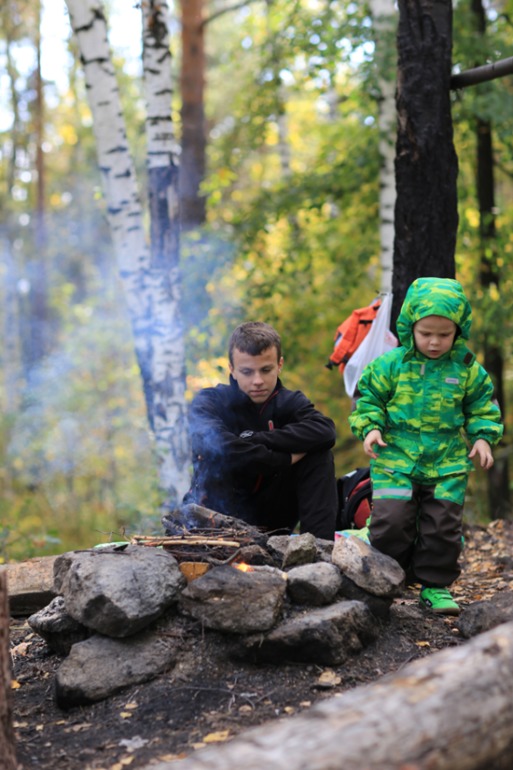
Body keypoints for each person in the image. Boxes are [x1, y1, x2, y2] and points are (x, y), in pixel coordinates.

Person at [348, 277, 503, 615]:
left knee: (443, 527)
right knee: (392, 521)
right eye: (426, 333)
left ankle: (435, 585)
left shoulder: (467, 370)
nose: (434, 342)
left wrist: (482, 437)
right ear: (410, 327)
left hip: (446, 461)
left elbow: (482, 407)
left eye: (444, 334)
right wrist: (370, 428)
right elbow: (367, 397)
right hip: (396, 456)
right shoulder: (391, 365)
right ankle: (385, 571)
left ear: (458, 331)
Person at [183, 321, 338, 540]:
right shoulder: (209, 401)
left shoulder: (290, 402)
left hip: (272, 518)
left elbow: (325, 432)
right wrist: (283, 459)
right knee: (216, 452)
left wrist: (254, 438)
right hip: (215, 519)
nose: (258, 381)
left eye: (266, 370)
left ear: (280, 365)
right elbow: (220, 447)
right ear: (232, 369)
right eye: (247, 372)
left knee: (319, 454)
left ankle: (320, 549)